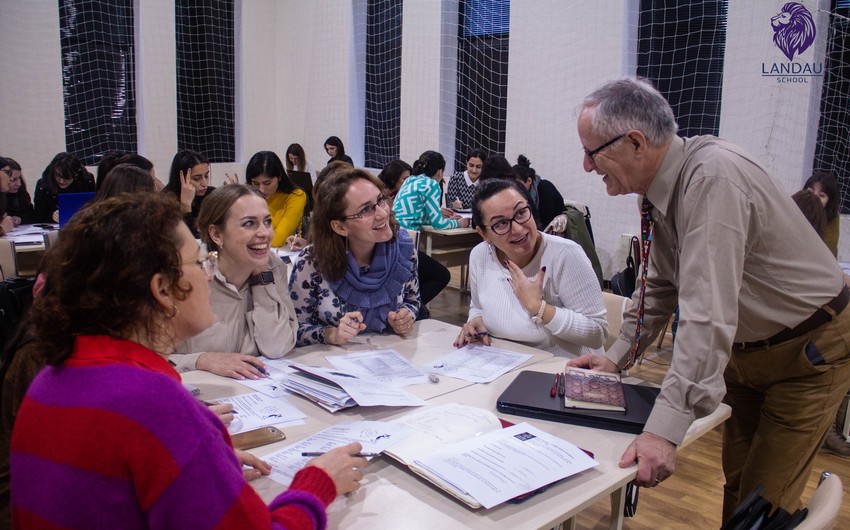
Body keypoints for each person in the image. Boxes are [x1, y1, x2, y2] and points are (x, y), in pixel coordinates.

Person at [569, 77, 850, 521]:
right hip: (745, 352)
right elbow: (661, 285)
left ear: (636, 142)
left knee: (761, 504)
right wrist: (616, 358)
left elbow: (706, 310)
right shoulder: (660, 190)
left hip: (808, 353)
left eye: (593, 151)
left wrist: (664, 431)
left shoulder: (712, 178)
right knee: (739, 486)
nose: (587, 165)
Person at [8, 192, 368, 529]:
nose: (206, 272)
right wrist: (318, 483)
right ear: (163, 290)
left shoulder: (56, 375)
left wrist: (193, 457)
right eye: (197, 262)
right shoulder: (152, 404)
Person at [454, 178, 606, 357]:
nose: (518, 229)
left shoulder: (565, 254)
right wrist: (475, 320)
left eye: (520, 213)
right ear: (484, 234)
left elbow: (598, 333)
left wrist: (539, 308)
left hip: (567, 369)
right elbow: (477, 306)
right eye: (501, 223)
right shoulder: (480, 256)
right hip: (507, 365)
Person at [171, 185, 298, 379]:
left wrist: (261, 278)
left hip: (254, 396)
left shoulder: (273, 267)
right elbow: (144, 359)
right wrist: (202, 360)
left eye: (267, 221)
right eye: (249, 223)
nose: (265, 233)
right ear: (216, 235)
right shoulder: (186, 276)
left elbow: (276, 347)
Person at [289, 168, 419, 346]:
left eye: (380, 200)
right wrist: (331, 335)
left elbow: (413, 300)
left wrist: (406, 316)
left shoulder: (403, 249)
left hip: (391, 355)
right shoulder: (312, 263)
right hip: (332, 364)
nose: (382, 213)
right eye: (366, 210)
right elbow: (294, 328)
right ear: (340, 227)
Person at [392, 150, 467, 311]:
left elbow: (417, 214)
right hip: (405, 242)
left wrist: (440, 214)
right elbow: (438, 224)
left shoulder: (410, 180)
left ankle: (409, 306)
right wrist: (459, 223)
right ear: (440, 172)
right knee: (442, 275)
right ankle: (411, 308)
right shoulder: (432, 184)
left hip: (393, 235)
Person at [245, 151, 307, 248]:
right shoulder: (250, 195)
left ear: (279, 176)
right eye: (255, 184)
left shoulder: (296, 196)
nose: (261, 189)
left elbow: (277, 240)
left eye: (267, 183)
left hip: (285, 254)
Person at [162, 149, 214, 238]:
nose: (204, 183)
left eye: (206, 176)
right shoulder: (165, 202)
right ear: (180, 178)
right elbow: (185, 239)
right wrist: (186, 205)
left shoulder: (210, 194)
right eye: (197, 179)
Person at [32, 152, 95, 223]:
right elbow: (38, 215)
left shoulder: (86, 181)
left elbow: (93, 208)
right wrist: (51, 216)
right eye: (57, 175)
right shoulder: (43, 185)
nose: (61, 181)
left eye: (67, 177)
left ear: (76, 173)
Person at [513, 154, 565, 229]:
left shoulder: (544, 188)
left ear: (529, 181)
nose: (515, 188)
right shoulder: (523, 194)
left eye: (518, 185)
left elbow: (546, 222)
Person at [804, 171, 841, 257]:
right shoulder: (794, 206)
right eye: (810, 191)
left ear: (830, 201)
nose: (813, 197)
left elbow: (827, 256)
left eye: (821, 195)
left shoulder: (832, 219)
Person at [1, 158, 34, 227]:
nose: (19, 184)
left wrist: (20, 219)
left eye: (19, 178)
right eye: (13, 179)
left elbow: (32, 215)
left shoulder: (21, 193)